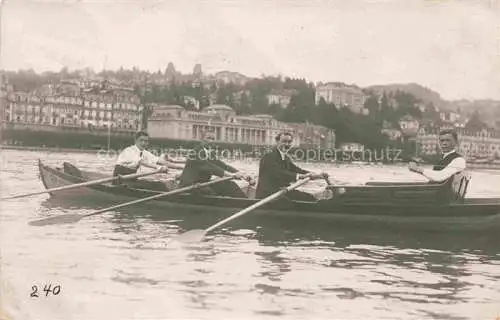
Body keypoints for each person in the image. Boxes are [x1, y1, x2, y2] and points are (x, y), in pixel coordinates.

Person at [255, 131, 329, 201]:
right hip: (268, 195)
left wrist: (316, 175)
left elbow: (297, 170)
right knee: (308, 198)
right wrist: (301, 176)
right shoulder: (269, 156)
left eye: (289, 142)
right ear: (277, 142)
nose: (287, 144)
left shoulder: (285, 157)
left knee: (309, 197)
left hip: (280, 192)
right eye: (284, 141)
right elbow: (278, 173)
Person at [177, 130, 252, 197]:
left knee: (229, 185)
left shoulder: (210, 154)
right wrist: (232, 175)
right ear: (202, 140)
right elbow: (210, 167)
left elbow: (223, 166)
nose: (211, 141)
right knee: (209, 192)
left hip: (202, 184)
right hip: (188, 187)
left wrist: (241, 174)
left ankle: (246, 203)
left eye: (213, 139)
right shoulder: (195, 152)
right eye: (208, 138)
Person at [113, 131, 182, 191]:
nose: (143, 143)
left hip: (131, 180)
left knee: (158, 185)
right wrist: (158, 167)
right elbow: (142, 162)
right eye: (141, 140)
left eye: (146, 141)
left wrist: (181, 167)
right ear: (135, 141)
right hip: (120, 181)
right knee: (153, 186)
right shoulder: (128, 151)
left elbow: (160, 161)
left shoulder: (145, 152)